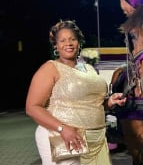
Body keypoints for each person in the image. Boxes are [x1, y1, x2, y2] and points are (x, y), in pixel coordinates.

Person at [25, 20, 127, 165]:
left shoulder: (89, 69)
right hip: (64, 140)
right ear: (56, 45)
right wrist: (62, 129)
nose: (69, 43)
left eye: (73, 39)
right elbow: (32, 108)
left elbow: (92, 104)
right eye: (63, 40)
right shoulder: (50, 69)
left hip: (97, 142)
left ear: (79, 42)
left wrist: (109, 102)